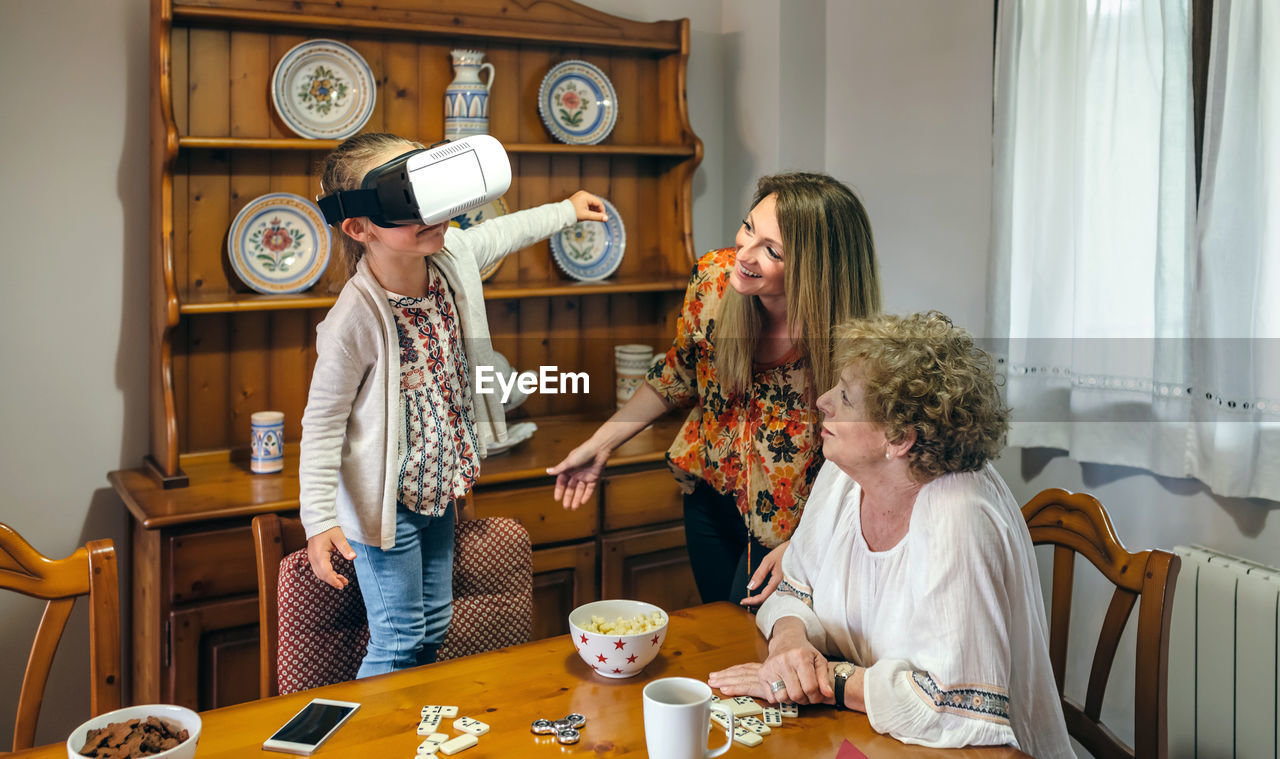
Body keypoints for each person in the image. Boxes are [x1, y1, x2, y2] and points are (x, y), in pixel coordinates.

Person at [298, 132, 608, 676]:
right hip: (384, 505)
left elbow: (503, 231)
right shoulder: (351, 321)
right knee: (398, 639)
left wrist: (566, 210)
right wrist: (320, 518)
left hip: (439, 487)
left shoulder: (452, 258)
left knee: (434, 625)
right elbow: (322, 423)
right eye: (406, 202)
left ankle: (416, 734)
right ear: (358, 226)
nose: (434, 215)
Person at [707, 312, 1073, 756]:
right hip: (874, 739)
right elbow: (795, 589)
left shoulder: (960, 514)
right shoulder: (845, 474)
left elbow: (950, 707)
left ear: (899, 439)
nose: (822, 401)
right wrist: (789, 645)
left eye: (844, 395)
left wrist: (825, 680)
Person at [548, 172, 881, 604]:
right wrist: (601, 444)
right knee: (717, 625)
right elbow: (678, 375)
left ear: (817, 268)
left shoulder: (850, 345)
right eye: (748, 228)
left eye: (772, 250)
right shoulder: (713, 282)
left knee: (754, 645)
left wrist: (804, 545)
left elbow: (862, 466)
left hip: (791, 524)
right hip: (708, 494)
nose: (744, 253)